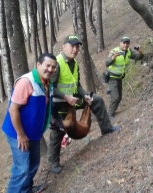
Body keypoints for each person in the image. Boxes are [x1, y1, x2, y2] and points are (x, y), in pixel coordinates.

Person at [47, 34, 121, 174]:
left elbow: (77, 85)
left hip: (73, 100)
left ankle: (106, 128)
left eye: (77, 47)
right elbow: (51, 88)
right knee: (58, 132)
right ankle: (53, 163)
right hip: (59, 105)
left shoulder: (74, 63)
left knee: (96, 100)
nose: (75, 49)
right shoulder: (56, 63)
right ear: (64, 47)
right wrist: (65, 97)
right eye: (72, 46)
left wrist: (85, 95)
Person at [1, 53, 57, 193]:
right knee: (22, 169)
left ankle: (26, 190)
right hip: (18, 133)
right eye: (47, 65)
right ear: (38, 65)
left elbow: (43, 107)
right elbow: (13, 109)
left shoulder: (47, 83)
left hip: (33, 133)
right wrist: (21, 135)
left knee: (33, 164)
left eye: (53, 67)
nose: (50, 69)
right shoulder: (27, 81)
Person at [105, 36, 144, 119]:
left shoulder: (129, 52)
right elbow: (107, 63)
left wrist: (140, 52)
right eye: (124, 43)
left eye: (127, 43)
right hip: (112, 78)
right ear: (120, 43)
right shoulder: (114, 51)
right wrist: (113, 57)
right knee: (115, 97)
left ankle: (112, 112)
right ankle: (109, 114)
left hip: (119, 78)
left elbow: (138, 57)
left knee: (119, 98)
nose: (125, 45)